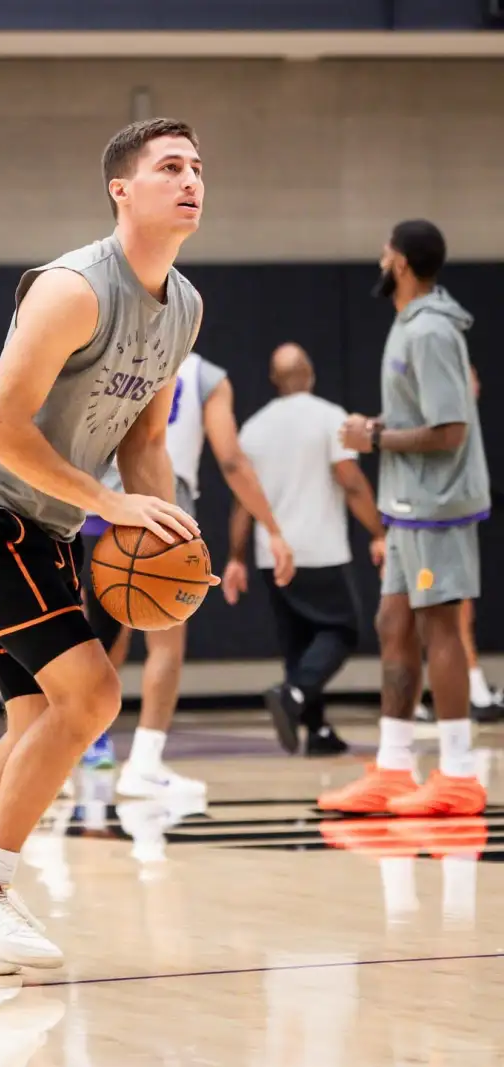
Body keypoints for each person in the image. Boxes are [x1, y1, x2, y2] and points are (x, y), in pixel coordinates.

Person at [0, 118, 216, 975]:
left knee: (38, 720)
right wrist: (108, 502)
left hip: (47, 521)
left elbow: (145, 437)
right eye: (170, 166)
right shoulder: (74, 288)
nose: (191, 180)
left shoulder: (185, 305)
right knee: (95, 695)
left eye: (198, 168)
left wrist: (165, 519)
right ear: (122, 189)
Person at [318, 219, 490, 817]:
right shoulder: (413, 323)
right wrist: (384, 434)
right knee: (394, 621)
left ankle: (460, 773)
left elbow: (450, 432)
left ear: (402, 263)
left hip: (436, 507)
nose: (379, 259)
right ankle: (393, 766)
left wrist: (377, 436)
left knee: (438, 627)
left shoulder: (432, 332)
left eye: (385, 252)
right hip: (408, 504)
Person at [79, 350, 294, 796]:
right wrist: (272, 528)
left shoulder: (115, 350)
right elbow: (231, 459)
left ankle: (82, 743)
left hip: (101, 504)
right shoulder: (206, 375)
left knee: (97, 637)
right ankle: (145, 762)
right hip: (162, 508)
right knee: (165, 640)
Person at [227, 343, 386, 756]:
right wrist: (379, 532)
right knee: (342, 630)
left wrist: (236, 557)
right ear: (310, 373)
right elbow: (350, 480)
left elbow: (243, 501)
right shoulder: (330, 417)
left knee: (298, 642)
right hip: (320, 549)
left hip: (270, 552)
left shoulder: (254, 428)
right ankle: (295, 694)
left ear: (273, 380)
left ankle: (316, 730)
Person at [414, 364, 502, 723]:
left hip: (442, 520)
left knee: (446, 608)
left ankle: (429, 694)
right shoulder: (440, 424)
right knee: (447, 606)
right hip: (432, 524)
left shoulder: (460, 422)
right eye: (470, 378)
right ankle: (472, 691)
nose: (477, 385)